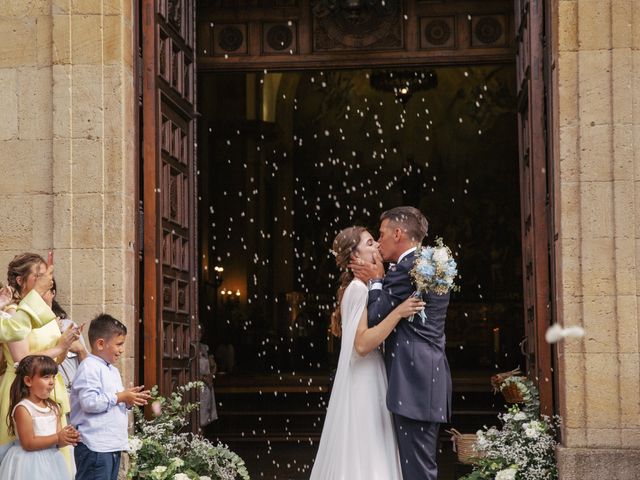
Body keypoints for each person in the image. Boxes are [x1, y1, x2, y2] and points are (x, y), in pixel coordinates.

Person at [309, 226, 425, 480]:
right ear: (354, 257)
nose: (376, 247)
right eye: (369, 243)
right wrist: (399, 312)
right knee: (367, 448)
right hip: (364, 380)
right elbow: (361, 346)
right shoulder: (358, 290)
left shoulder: (367, 287)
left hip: (372, 376)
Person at [350, 206, 452, 480]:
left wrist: (375, 281)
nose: (380, 241)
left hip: (414, 383)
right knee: (418, 466)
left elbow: (375, 315)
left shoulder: (409, 268)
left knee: (417, 471)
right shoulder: (427, 262)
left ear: (398, 233)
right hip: (425, 377)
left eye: (381, 234)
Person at [0, 253, 79, 468]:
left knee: (56, 458)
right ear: (20, 280)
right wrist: (59, 346)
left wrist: (65, 342)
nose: (47, 279)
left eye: (47, 274)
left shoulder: (44, 312)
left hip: (48, 386)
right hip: (23, 388)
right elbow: (22, 360)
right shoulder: (14, 312)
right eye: (39, 275)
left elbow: (57, 358)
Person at [70, 313, 151, 480]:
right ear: (100, 344)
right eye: (119, 344)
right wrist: (120, 397)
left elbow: (112, 402)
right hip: (94, 447)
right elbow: (89, 403)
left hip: (110, 445)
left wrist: (129, 400)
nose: (122, 350)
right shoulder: (89, 367)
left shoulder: (112, 370)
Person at [0, 355, 80, 479]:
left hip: (52, 462)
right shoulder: (23, 408)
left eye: (53, 376)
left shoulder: (54, 407)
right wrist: (58, 437)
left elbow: (57, 442)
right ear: (28, 381)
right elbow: (28, 442)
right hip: (28, 464)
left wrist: (67, 438)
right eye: (46, 377)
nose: (52, 382)